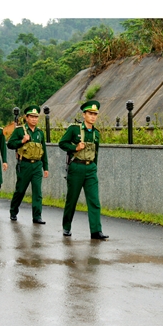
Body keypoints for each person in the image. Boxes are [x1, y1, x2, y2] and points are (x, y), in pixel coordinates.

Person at [58, 100, 109, 240]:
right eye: (90, 113)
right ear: (84, 114)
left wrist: (95, 168)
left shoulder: (96, 133)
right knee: (72, 199)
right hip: (77, 167)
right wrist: (75, 148)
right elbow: (62, 143)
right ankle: (66, 226)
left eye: (95, 114)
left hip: (91, 168)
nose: (93, 116)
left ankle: (96, 231)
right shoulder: (74, 129)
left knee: (94, 200)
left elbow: (96, 152)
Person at [7, 105, 49, 224]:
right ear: (26, 117)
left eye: (36, 117)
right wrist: (22, 141)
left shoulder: (40, 133)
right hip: (24, 165)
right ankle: (13, 211)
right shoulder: (20, 130)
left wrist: (45, 167)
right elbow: (10, 144)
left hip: (37, 165)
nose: (34, 119)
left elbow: (44, 151)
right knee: (20, 190)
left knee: (37, 192)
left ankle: (37, 216)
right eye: (32, 116)